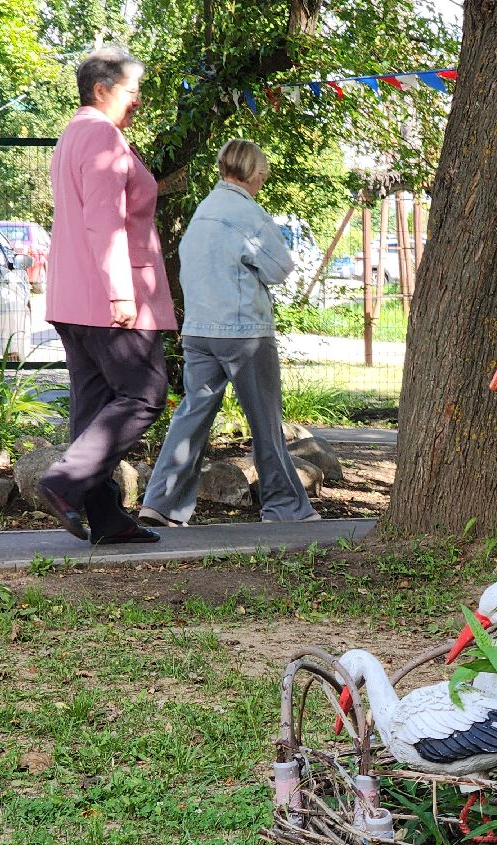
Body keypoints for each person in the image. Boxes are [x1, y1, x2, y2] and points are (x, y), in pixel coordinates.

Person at [137, 140, 318, 527]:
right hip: (243, 331)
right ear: (253, 173)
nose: (262, 183)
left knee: (192, 414)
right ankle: (284, 507)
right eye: (262, 176)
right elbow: (279, 268)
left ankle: (160, 503)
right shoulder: (248, 214)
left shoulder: (203, 212)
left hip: (199, 330)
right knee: (265, 421)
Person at [39, 47, 174, 544]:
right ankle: (63, 481)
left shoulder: (73, 134)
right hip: (111, 297)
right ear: (102, 90)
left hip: (74, 297)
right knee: (145, 393)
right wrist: (122, 295)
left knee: (94, 407)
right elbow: (103, 220)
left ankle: (108, 520)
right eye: (132, 91)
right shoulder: (101, 136)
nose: (137, 102)